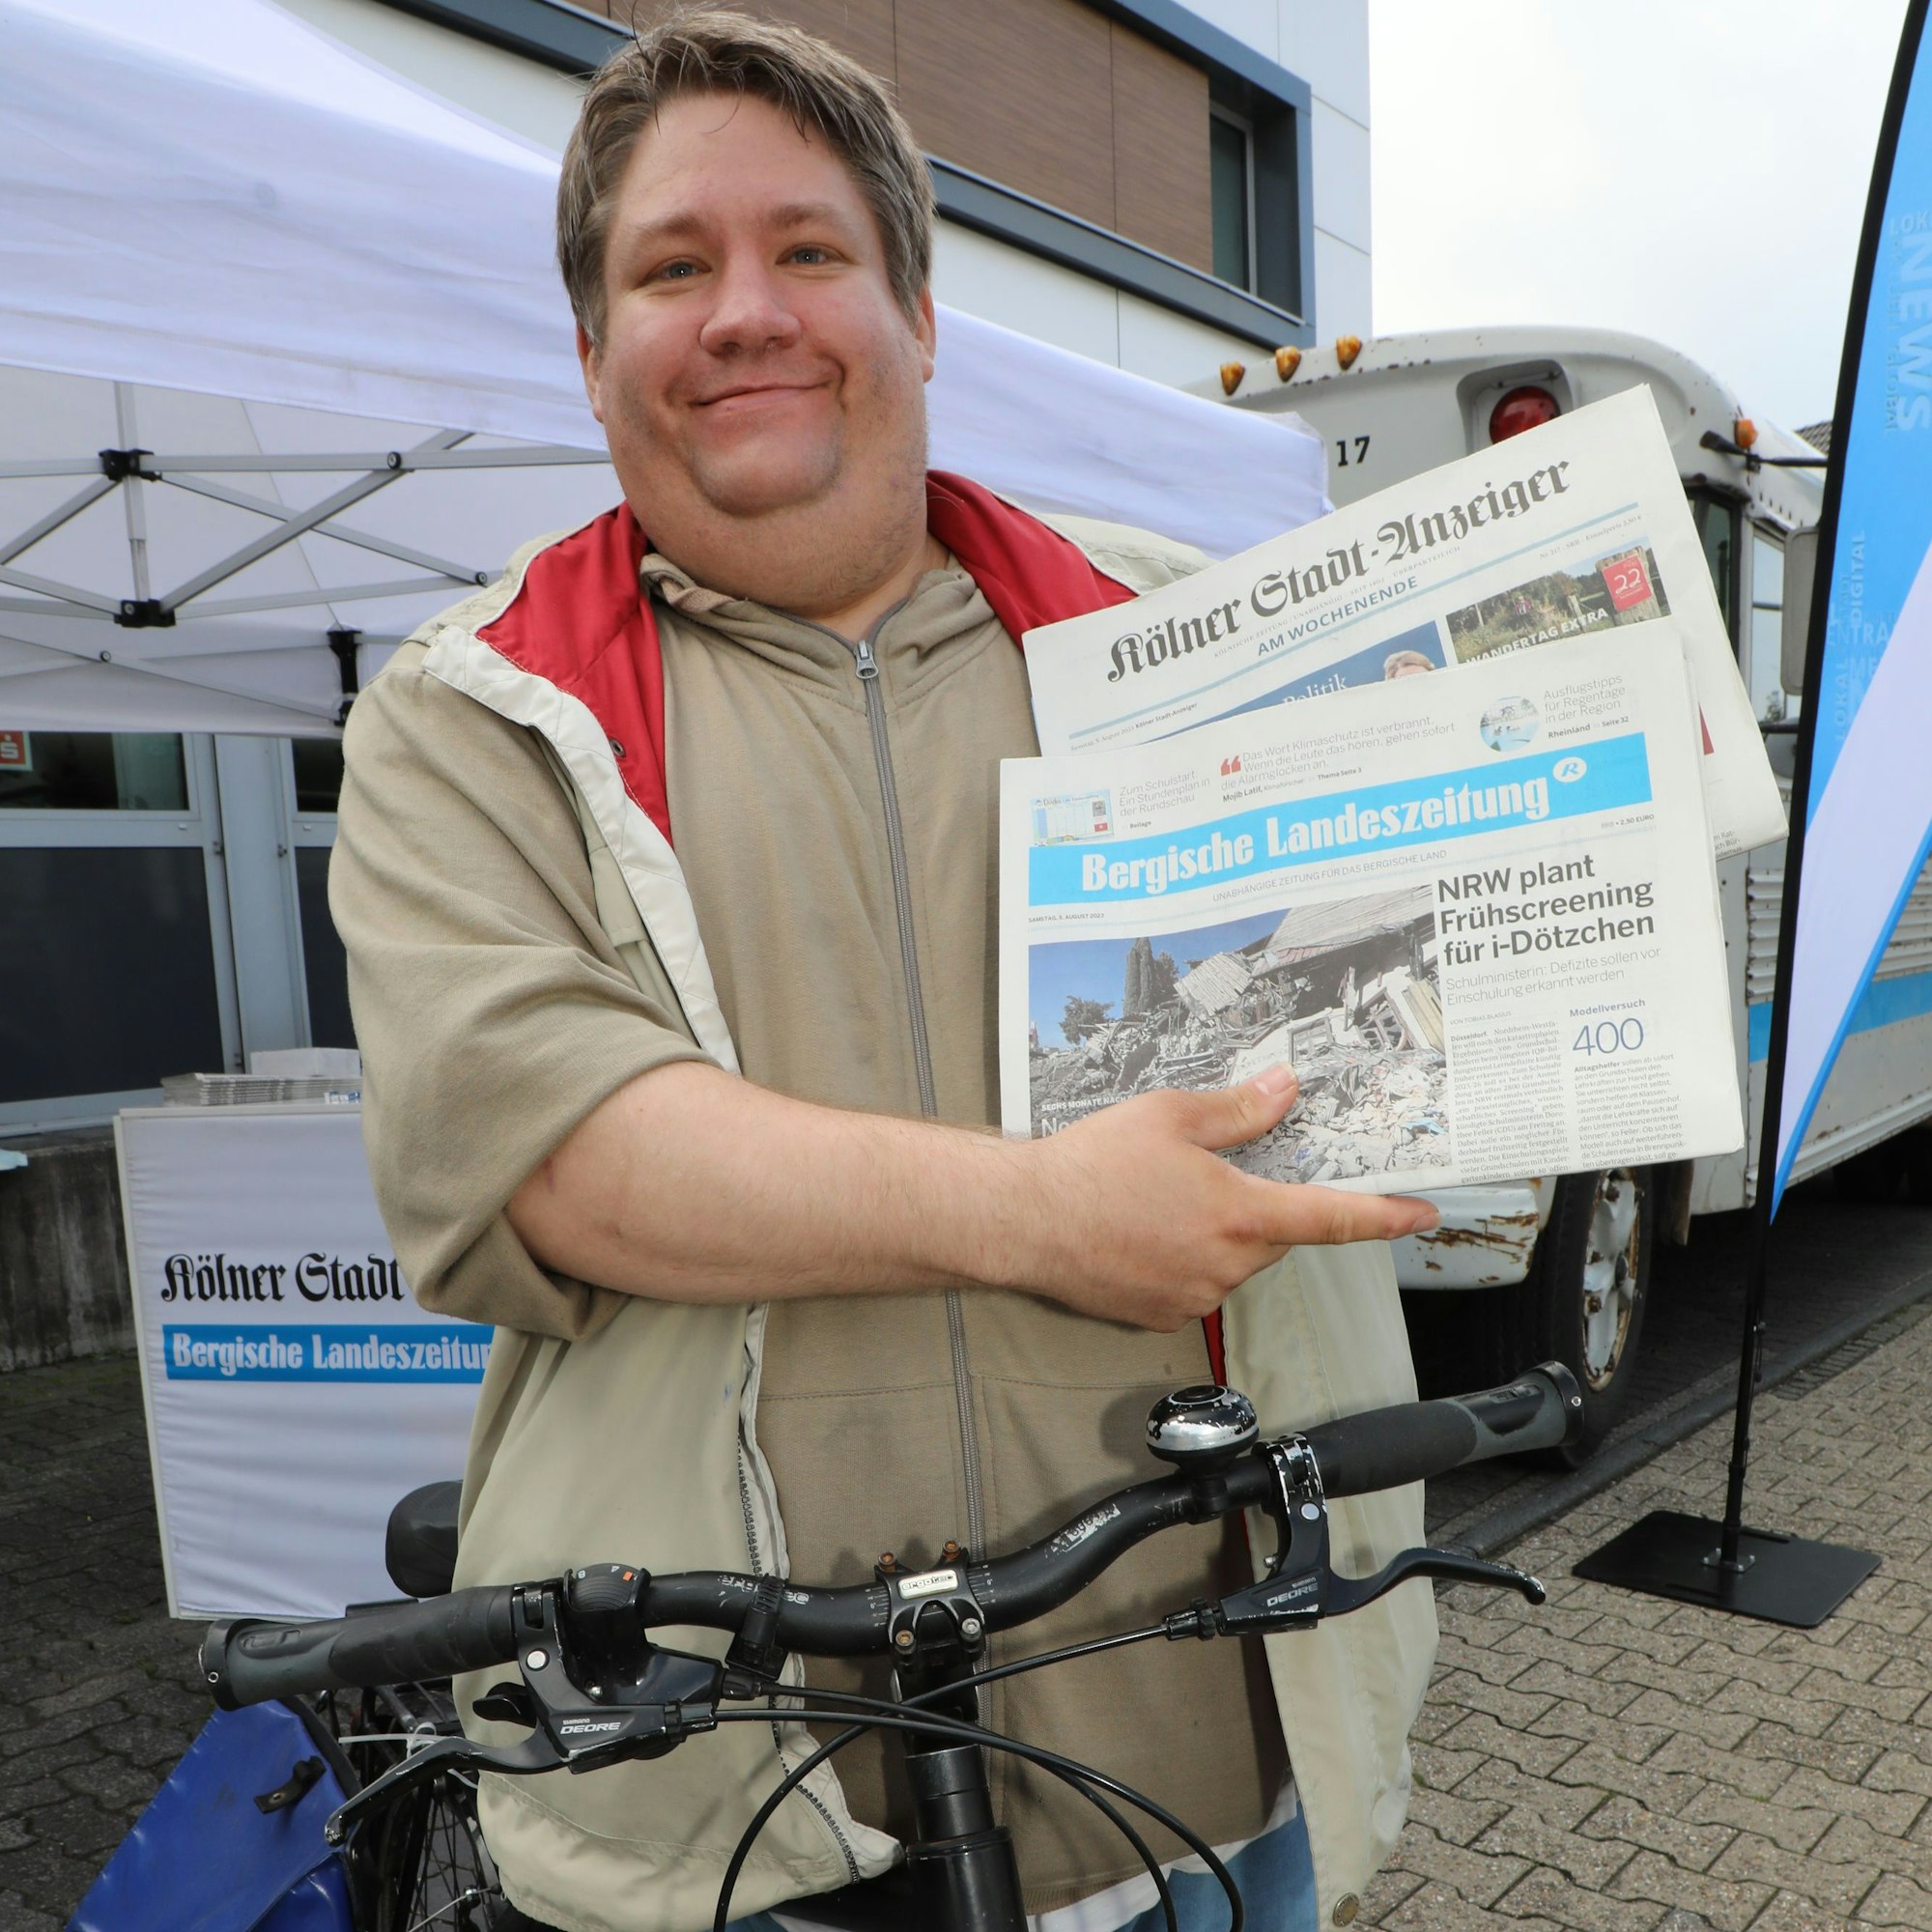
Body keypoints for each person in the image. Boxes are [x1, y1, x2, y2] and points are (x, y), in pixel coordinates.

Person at [329, 14, 1441, 1932]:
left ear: (918, 317)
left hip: (1206, 1760)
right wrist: (1042, 1214)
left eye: (809, 250)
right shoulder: (474, 714)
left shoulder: (1184, 634)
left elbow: (1399, 987)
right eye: (672, 268)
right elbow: (554, 1156)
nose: (745, 311)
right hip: (724, 1811)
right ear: (593, 353)